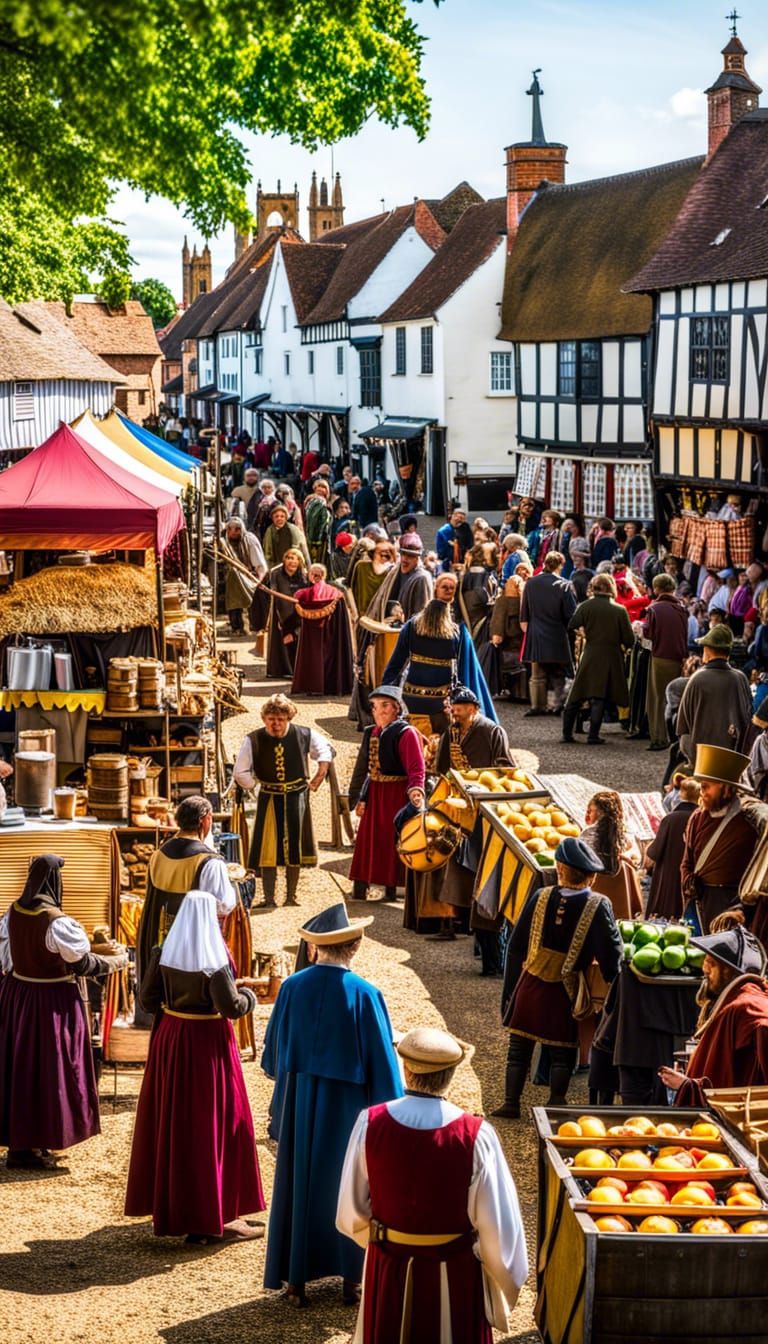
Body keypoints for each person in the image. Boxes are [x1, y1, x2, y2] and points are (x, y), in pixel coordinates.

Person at [336, 1026, 528, 1344]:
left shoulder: (370, 1123)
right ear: (451, 1074)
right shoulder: (477, 1135)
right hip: (455, 1270)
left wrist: (386, 1239)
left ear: (407, 1070)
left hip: (389, 1266)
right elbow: (499, 1228)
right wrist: (502, 1279)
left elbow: (351, 1212)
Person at [262, 907, 402, 1307]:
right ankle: (351, 1280)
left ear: (313, 949)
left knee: (298, 1182)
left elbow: (273, 1057)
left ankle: (295, 1282)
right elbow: (385, 1071)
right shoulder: (365, 993)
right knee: (352, 1187)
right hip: (348, 1110)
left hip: (301, 1104)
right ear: (355, 946)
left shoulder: (291, 987)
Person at [125, 890, 265, 1243]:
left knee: (176, 1123)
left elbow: (146, 999)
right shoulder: (213, 961)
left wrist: (174, 1008)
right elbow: (231, 1008)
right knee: (214, 1125)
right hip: (206, 1047)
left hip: (173, 1041)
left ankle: (185, 1210)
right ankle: (211, 1218)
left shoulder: (163, 953)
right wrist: (250, 994)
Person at [0, 855, 127, 1169]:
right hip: (52, 1005)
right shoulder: (57, 922)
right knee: (50, 1071)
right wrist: (116, 962)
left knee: (23, 1071)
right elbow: (82, 963)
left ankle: (25, 1145)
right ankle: (33, 1145)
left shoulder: (12, 914)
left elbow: (7, 960)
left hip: (19, 999)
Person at [493, 837, 623, 1118]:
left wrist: (509, 993)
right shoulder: (598, 905)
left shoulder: (541, 896)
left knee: (518, 1049)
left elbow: (515, 947)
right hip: (566, 988)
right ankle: (555, 1102)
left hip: (530, 982)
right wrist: (615, 988)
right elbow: (611, 952)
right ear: (590, 876)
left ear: (560, 868)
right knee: (562, 1052)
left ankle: (511, 1103)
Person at [136, 796, 236, 1023]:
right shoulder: (210, 861)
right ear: (205, 820)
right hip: (194, 947)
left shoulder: (158, 854)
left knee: (165, 1008)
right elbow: (225, 904)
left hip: (159, 942)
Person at [434, 686, 513, 967]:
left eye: (460, 706)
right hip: (461, 814)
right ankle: (478, 943)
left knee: (484, 876)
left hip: (486, 814)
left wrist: (481, 785)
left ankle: (491, 951)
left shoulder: (492, 731)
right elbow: (441, 770)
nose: (454, 710)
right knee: (464, 877)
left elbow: (506, 769)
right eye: (453, 706)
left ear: (474, 708)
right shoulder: (451, 733)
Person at [659, 912, 768, 1108]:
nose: (704, 968)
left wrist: (688, 1085)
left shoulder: (746, 1008)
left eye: (711, 963)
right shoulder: (741, 1001)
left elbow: (739, 1090)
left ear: (729, 970)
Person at [233, 693, 332, 906]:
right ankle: (269, 898)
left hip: (297, 796)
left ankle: (291, 897)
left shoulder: (305, 734)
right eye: (271, 719)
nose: (275, 723)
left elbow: (325, 752)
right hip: (269, 797)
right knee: (268, 848)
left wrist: (316, 780)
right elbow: (240, 771)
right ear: (264, 719)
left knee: (294, 844)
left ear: (288, 718)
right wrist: (255, 786)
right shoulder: (253, 739)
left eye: (280, 719)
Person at [383, 573, 497, 731]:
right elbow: (462, 670)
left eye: (452, 588)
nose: (449, 590)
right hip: (441, 702)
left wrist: (385, 692)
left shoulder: (411, 627)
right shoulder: (455, 633)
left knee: (414, 739)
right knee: (442, 745)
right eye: (445, 587)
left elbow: (395, 663)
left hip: (412, 699)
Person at [348, 685, 426, 901]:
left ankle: (392, 887)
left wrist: (416, 791)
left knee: (392, 840)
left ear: (396, 709)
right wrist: (361, 797)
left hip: (396, 794)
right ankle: (362, 886)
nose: (379, 711)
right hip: (376, 792)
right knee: (369, 840)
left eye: (385, 706)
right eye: (375, 707)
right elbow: (369, 770)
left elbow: (416, 767)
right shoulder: (373, 731)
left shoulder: (406, 733)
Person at [681, 743, 758, 932]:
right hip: (699, 902)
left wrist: (741, 909)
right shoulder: (697, 817)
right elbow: (686, 862)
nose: (702, 792)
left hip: (731, 904)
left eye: (706, 786)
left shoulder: (750, 821)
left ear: (725, 788)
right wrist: (689, 882)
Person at [561, 573, 633, 745]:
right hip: (611, 656)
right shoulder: (619, 610)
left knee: (577, 694)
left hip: (590, 652)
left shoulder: (585, 606)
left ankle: (567, 734)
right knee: (598, 697)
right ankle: (593, 735)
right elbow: (629, 640)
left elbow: (571, 625)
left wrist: (584, 632)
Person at [676, 624, 753, 764]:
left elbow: (682, 726)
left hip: (701, 758)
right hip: (732, 757)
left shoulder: (697, 679)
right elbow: (747, 718)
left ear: (708, 650)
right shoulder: (740, 678)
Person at [519, 551, 576, 717]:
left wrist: (528, 629)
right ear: (560, 565)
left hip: (535, 632)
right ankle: (559, 705)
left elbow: (525, 612)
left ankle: (538, 705)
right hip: (557, 633)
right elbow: (570, 614)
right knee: (559, 672)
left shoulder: (531, 583)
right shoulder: (564, 585)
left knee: (537, 673)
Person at [291, 563, 354, 697]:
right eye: (313, 573)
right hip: (323, 632)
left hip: (327, 631)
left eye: (318, 574)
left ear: (324, 575)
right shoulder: (334, 594)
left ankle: (314, 686)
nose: (315, 576)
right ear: (308, 575)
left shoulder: (303, 595)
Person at [643, 574, 688, 751]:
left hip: (660, 656)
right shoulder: (682, 608)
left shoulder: (654, 609)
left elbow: (648, 634)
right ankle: (674, 734)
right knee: (675, 698)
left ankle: (659, 737)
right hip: (678, 657)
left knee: (657, 698)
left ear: (657, 589)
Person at [580, 790, 642, 920]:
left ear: (599, 812)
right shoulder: (624, 835)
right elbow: (636, 859)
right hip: (620, 900)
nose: (587, 815)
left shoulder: (588, 834)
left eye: (590, 811)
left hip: (594, 895)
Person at [645, 776, 701, 919]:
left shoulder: (671, 819)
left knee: (664, 919)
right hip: (691, 878)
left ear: (682, 794)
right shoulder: (702, 819)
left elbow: (655, 852)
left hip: (667, 879)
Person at [362, 532, 433, 623]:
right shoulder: (395, 572)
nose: (404, 559)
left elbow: (421, 616)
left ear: (417, 558)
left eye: (410, 556)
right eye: (403, 554)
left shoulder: (421, 578)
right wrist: (392, 609)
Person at [489, 559, 532, 701]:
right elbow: (498, 619)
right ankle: (520, 693)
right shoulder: (522, 599)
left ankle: (517, 692)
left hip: (513, 638)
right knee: (517, 666)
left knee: (512, 667)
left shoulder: (507, 600)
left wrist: (497, 634)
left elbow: (498, 619)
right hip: (516, 637)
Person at [220, 516, 268, 634]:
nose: (233, 532)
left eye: (237, 529)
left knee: (249, 603)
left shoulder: (249, 540)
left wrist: (259, 580)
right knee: (233, 603)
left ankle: (249, 626)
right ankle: (236, 627)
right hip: (231, 578)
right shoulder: (223, 541)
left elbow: (259, 564)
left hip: (250, 576)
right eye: (230, 529)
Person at [265, 548, 306, 679]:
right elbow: (272, 591)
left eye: (295, 559)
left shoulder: (304, 575)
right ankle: (281, 670)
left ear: (300, 562)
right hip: (281, 611)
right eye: (288, 558)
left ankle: (298, 671)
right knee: (282, 643)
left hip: (298, 613)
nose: (291, 562)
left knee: (298, 642)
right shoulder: (276, 574)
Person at [263, 502, 310, 569]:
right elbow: (268, 552)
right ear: (273, 518)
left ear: (286, 518)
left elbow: (299, 549)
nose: (279, 519)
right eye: (276, 516)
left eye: (282, 516)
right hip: (276, 567)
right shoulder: (269, 531)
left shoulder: (293, 530)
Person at [304, 478, 333, 565]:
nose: (320, 489)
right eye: (318, 486)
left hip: (323, 538)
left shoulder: (324, 502)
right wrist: (316, 541)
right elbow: (314, 522)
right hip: (317, 540)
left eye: (323, 487)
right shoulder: (317, 502)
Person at [435, 507, 474, 572]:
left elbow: (470, 545)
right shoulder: (444, 531)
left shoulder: (465, 529)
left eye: (462, 519)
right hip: (448, 563)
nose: (459, 520)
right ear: (453, 516)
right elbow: (441, 552)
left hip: (463, 563)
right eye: (458, 517)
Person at [568, 536, 595, 603]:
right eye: (573, 555)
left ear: (583, 557)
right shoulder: (573, 573)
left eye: (577, 556)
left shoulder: (590, 573)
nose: (574, 558)